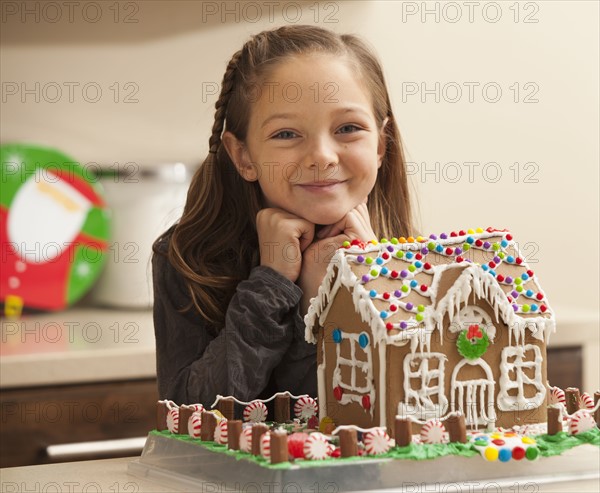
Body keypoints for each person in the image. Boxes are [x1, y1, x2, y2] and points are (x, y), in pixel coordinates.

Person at [152, 25, 413, 407]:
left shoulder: (405, 263)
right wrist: (273, 286)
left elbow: (409, 407)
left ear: (380, 144)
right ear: (243, 156)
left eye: (348, 128)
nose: (322, 156)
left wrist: (360, 286)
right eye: (287, 134)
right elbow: (191, 414)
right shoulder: (188, 261)